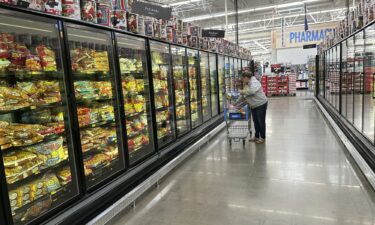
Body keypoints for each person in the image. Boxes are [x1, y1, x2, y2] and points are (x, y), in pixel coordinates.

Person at [240, 72, 268, 144]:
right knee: (255, 121)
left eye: (243, 79)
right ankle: (256, 136)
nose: (242, 80)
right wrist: (235, 102)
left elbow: (252, 92)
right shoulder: (247, 84)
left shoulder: (254, 82)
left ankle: (262, 137)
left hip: (261, 104)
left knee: (260, 121)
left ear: (246, 77)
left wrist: (242, 92)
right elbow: (244, 95)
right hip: (254, 105)